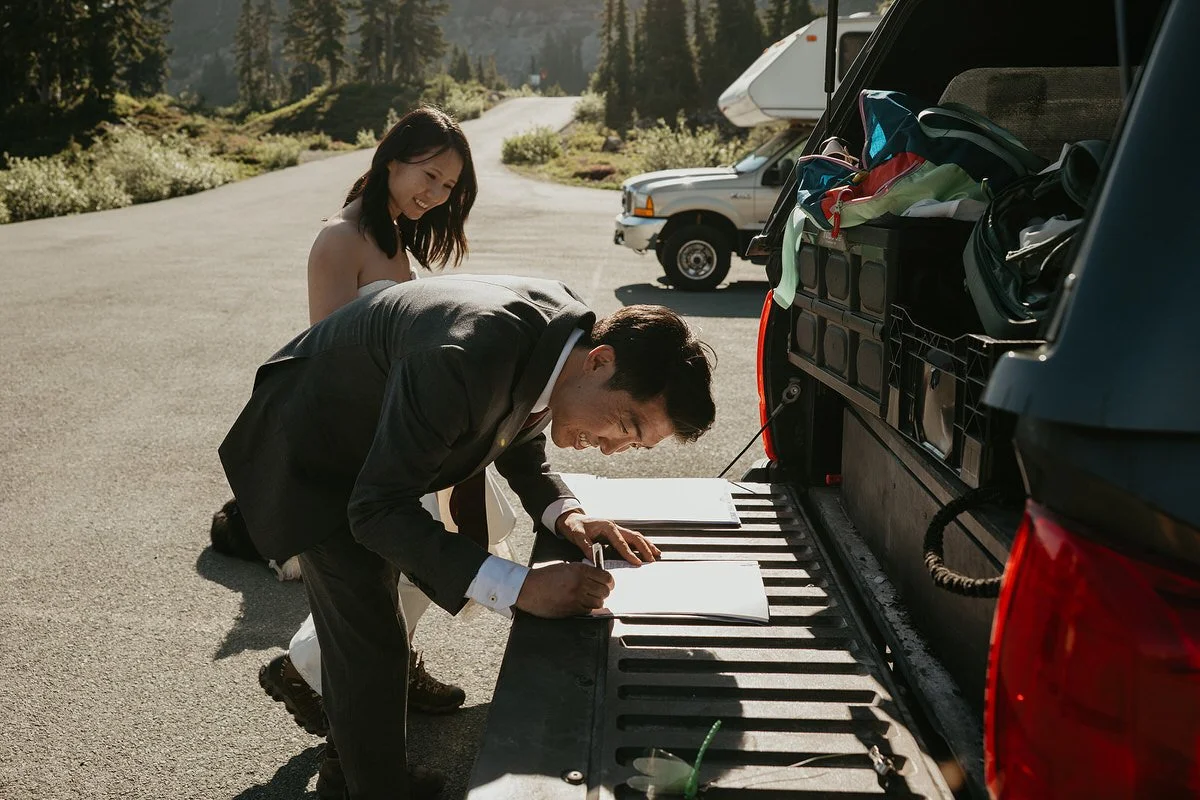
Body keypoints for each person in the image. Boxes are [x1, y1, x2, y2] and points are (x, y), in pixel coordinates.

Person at [218, 275, 716, 799]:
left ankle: (350, 764)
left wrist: (564, 513)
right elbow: (375, 509)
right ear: (600, 362)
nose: (614, 448)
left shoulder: (563, 346)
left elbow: (518, 425)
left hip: (379, 444)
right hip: (312, 446)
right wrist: (521, 588)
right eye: (624, 424)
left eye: (634, 445)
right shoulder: (464, 354)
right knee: (370, 633)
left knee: (379, 623)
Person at [210, 105, 490, 722]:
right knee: (410, 556)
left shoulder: (391, 232)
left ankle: (376, 665)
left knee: (465, 533)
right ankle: (312, 672)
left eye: (448, 187)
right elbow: (331, 361)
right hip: (369, 436)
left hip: (407, 426)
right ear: (393, 158)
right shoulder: (341, 238)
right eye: (430, 176)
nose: (437, 195)